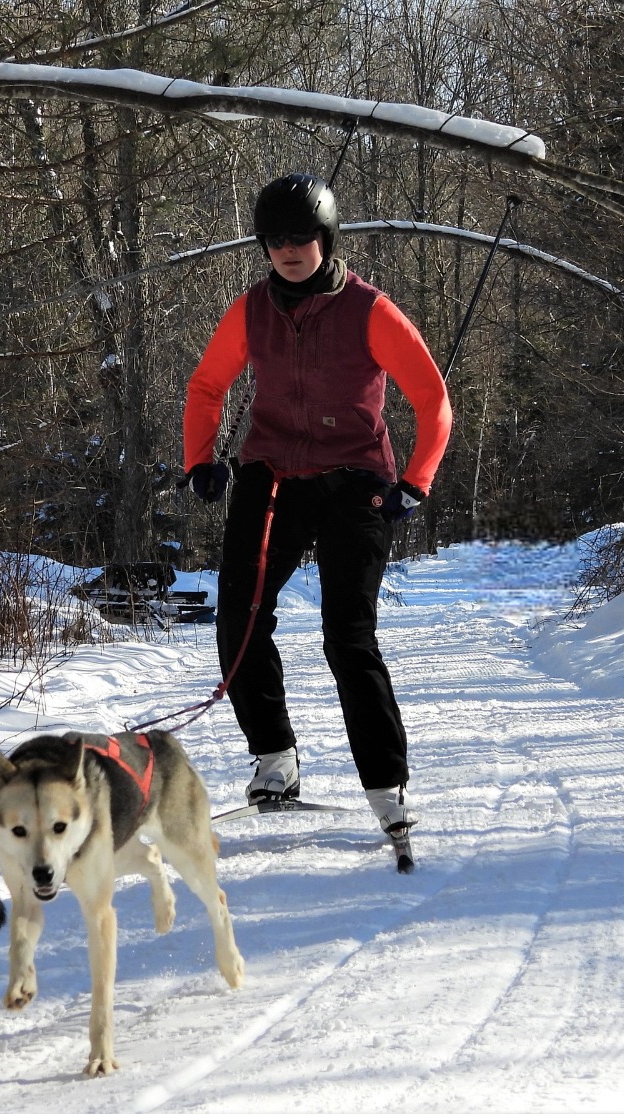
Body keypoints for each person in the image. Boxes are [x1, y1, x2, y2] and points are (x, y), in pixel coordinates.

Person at [182, 172, 452, 845]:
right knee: (240, 618)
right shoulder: (250, 311)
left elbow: (432, 399)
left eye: (303, 237)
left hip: (355, 480)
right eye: (276, 239)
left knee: (347, 637)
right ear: (264, 245)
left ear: (326, 240)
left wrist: (415, 481)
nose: (290, 250)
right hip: (270, 475)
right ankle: (274, 760)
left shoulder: (370, 311)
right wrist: (200, 459)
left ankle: (386, 788)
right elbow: (209, 384)